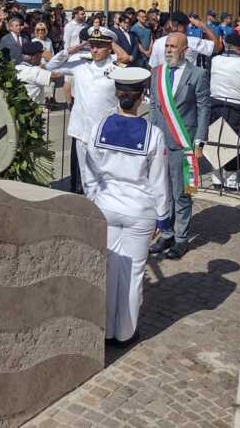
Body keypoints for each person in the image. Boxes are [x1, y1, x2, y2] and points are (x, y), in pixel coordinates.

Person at [82, 67, 170, 345]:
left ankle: (106, 331)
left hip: (106, 205)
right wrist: (164, 217)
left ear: (118, 94)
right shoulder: (153, 134)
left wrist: (95, 198)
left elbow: (89, 171)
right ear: (142, 95)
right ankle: (126, 332)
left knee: (108, 269)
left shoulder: (98, 127)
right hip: (139, 210)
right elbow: (159, 182)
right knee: (132, 274)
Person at [147, 32, 211, 260]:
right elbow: (154, 105)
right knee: (162, 192)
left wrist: (199, 142)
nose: (168, 50)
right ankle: (166, 233)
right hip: (160, 142)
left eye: (173, 46)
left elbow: (204, 108)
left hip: (184, 142)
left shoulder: (198, 74)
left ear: (185, 49)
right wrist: (152, 134)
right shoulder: (157, 73)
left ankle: (181, 238)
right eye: (167, 46)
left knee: (182, 192)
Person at [45, 28, 120, 194]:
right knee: (86, 179)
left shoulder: (116, 67)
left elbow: (127, 60)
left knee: (106, 177)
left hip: (105, 133)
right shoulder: (80, 64)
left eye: (99, 46)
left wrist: (115, 46)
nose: (94, 49)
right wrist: (78, 47)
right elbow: (51, 66)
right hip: (82, 132)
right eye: (92, 45)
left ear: (110, 47)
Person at [207, 31, 240, 189]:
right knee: (235, 142)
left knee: (216, 140)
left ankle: (216, 178)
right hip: (236, 105)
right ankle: (231, 181)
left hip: (215, 103)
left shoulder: (215, 60)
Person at [148, 12, 221, 68]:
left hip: (164, 84)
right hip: (186, 84)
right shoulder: (192, 42)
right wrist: (203, 27)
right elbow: (217, 47)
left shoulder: (157, 42)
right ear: (180, 26)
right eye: (186, 26)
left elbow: (152, 66)